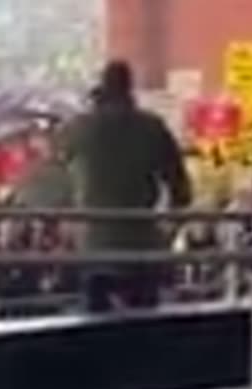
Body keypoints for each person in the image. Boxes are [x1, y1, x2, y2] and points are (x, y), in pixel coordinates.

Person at [63, 60, 192, 313]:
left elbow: (51, 180)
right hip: (142, 246)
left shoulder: (79, 128)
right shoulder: (153, 127)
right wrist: (167, 234)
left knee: (95, 325)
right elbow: (182, 191)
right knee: (144, 325)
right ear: (130, 89)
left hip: (95, 247)